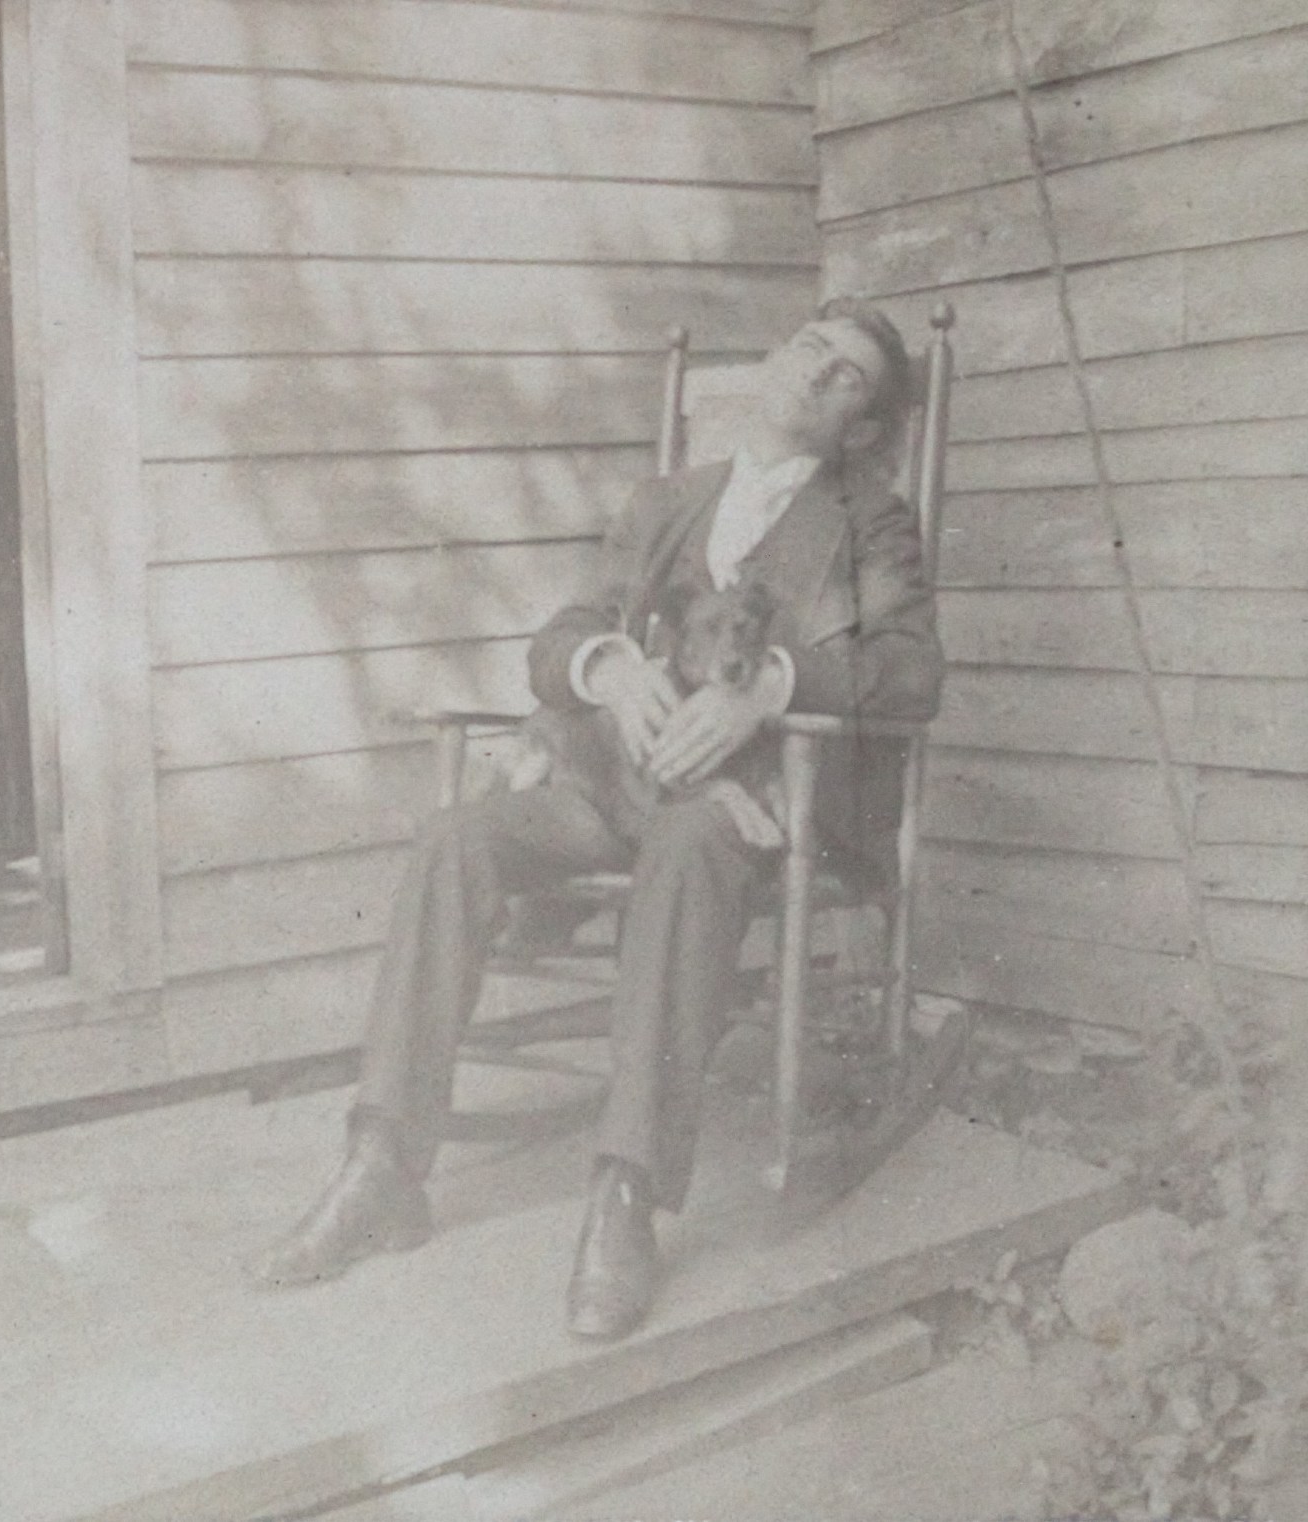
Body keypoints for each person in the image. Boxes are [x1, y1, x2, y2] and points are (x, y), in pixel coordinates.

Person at [250, 299, 944, 1343]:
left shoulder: (870, 521)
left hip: (756, 806)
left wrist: (769, 687)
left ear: (862, 426)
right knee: (454, 838)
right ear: (772, 358)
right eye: (809, 347)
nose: (814, 372)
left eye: (845, 374)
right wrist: (608, 666)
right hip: (618, 790)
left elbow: (911, 671)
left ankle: (626, 1191)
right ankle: (381, 1162)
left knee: (689, 843)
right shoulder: (667, 500)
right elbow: (561, 638)